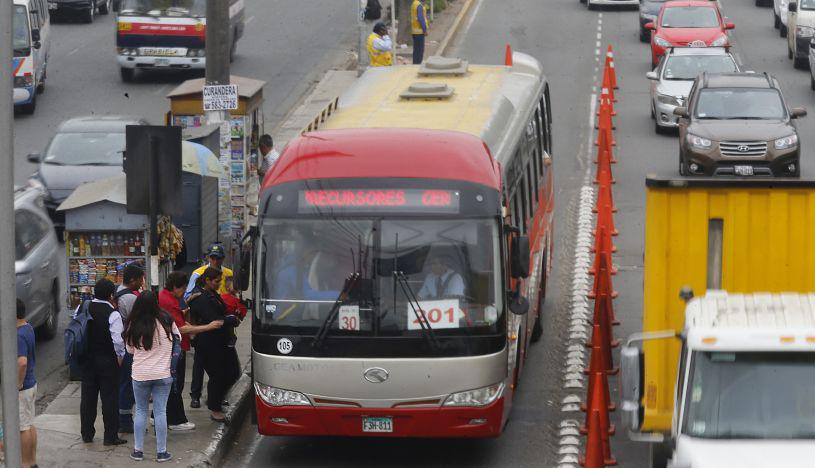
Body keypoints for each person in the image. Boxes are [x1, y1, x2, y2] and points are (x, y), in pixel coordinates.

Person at [158, 271, 223, 431]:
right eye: (182, 289)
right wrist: (208, 327)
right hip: (174, 348)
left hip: (172, 346)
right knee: (176, 385)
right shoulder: (169, 301)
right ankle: (176, 420)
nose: (183, 292)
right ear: (175, 287)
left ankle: (159, 416)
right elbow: (181, 328)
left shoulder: (168, 297)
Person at [124, 291, 178, 463]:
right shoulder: (167, 319)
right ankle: (162, 452)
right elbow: (178, 338)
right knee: (160, 412)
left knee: (140, 411)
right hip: (163, 374)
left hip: (140, 374)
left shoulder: (133, 323)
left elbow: (129, 350)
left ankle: (138, 451)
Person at [188, 268, 240, 422]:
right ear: (208, 281)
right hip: (208, 343)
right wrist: (229, 319)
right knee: (217, 375)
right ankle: (214, 408)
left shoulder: (213, 295)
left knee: (232, 372)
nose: (219, 284)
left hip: (222, 341)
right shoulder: (201, 298)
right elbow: (214, 320)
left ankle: (216, 400)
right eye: (216, 281)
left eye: (220, 281)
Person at [79, 279, 127, 446]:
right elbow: (118, 341)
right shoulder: (113, 314)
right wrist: (120, 356)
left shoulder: (84, 307)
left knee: (87, 398)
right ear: (111, 295)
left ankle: (86, 433)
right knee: (110, 398)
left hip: (87, 360)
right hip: (107, 361)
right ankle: (110, 436)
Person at [185, 243, 233, 408]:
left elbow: (232, 292)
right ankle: (196, 396)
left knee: (223, 366)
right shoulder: (197, 273)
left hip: (222, 321)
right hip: (204, 325)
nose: (215, 260)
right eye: (212, 257)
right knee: (200, 363)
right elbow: (189, 296)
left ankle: (219, 395)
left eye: (218, 258)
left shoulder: (228, 274)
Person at [116, 264, 144, 434]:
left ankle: (123, 419)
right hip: (128, 345)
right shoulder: (131, 299)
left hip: (119, 344)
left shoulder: (118, 291)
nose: (142, 282)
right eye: (140, 279)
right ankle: (125, 421)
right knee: (128, 384)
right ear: (132, 280)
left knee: (123, 383)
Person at [17, 299, 38, 468]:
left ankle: (24, 464)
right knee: (30, 424)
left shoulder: (18, 335)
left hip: (22, 388)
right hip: (32, 384)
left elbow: (22, 362)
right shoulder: (28, 327)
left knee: (22, 427)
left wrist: (17, 383)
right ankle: (32, 461)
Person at [411, 0, 429, 65]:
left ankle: (414, 66)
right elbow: (420, 18)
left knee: (416, 51)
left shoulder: (414, 3)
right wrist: (425, 30)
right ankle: (417, 66)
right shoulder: (419, 5)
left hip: (414, 31)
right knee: (420, 51)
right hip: (419, 32)